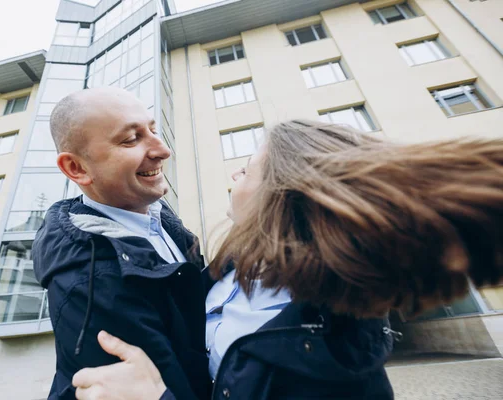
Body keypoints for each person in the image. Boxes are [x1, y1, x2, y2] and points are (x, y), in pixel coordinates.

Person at [71, 120, 503, 400]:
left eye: (246, 170)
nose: (234, 177)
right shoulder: (227, 272)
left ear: (280, 197)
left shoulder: (332, 352)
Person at [32, 87, 210, 400]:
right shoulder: (92, 282)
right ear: (77, 168)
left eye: (153, 130)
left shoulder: (157, 215)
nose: (162, 150)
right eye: (131, 139)